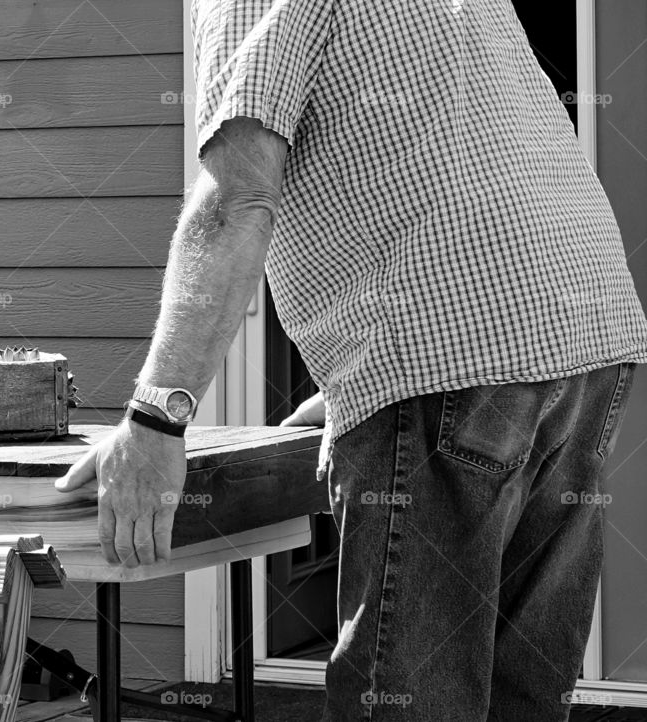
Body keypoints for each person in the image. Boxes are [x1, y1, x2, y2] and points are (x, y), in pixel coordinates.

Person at [56, 1, 647, 719]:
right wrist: (359, 378)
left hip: (453, 345)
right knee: (522, 691)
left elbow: (237, 200)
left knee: (405, 699)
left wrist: (157, 416)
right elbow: (442, 144)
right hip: (582, 328)